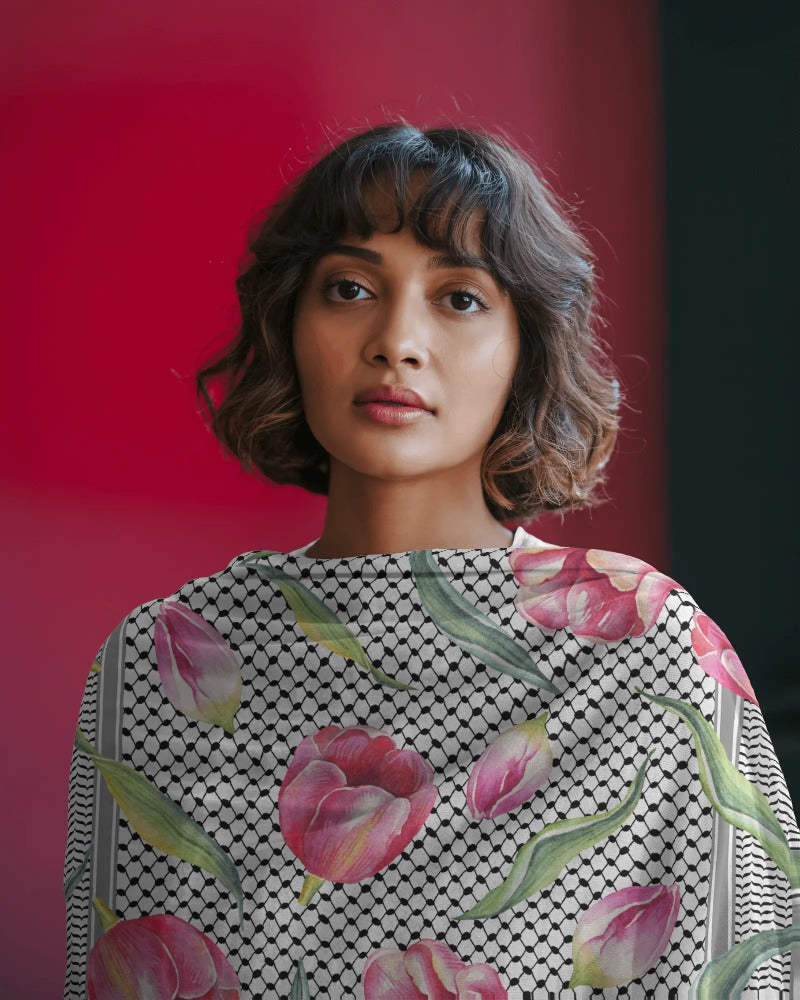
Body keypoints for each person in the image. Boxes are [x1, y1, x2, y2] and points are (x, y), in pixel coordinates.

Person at [63, 123, 800, 999]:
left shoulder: (646, 654)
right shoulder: (165, 664)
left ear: (527, 345)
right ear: (288, 325)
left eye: (459, 298)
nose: (396, 340)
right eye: (348, 288)